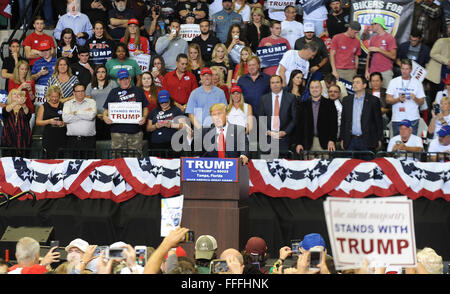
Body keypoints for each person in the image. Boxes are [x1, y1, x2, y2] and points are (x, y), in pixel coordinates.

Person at [103, 69, 149, 157]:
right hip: (117, 133)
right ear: (118, 80)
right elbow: (106, 110)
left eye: (126, 79)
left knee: (136, 159)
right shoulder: (113, 92)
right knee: (117, 159)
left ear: (130, 79)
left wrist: (144, 117)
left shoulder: (138, 91)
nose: (125, 81)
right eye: (122, 79)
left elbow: (145, 107)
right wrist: (105, 117)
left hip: (135, 132)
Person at [340, 75, 383, 154]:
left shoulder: (373, 100)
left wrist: (379, 139)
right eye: (353, 83)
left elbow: (378, 122)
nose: (354, 85)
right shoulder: (346, 100)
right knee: (350, 165)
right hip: (350, 141)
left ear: (364, 85)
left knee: (367, 166)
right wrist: (342, 138)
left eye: (357, 82)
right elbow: (344, 121)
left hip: (368, 141)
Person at [295, 80, 338, 154]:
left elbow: (333, 124)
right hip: (307, 143)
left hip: (325, 143)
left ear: (321, 89)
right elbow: (299, 126)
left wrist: (332, 140)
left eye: (317, 87)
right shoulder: (303, 105)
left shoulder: (330, 104)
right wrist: (298, 143)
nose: (314, 89)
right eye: (312, 87)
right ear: (309, 89)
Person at [386, 59, 426, 136]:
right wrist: (398, 99)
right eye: (403, 69)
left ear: (411, 70)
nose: (404, 71)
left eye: (407, 69)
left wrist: (415, 98)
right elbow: (387, 100)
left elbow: (422, 102)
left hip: (412, 118)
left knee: (411, 144)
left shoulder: (417, 83)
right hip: (397, 118)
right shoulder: (394, 81)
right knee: (397, 143)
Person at [258, 75, 297, 153]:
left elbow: (294, 118)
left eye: (277, 82)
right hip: (268, 138)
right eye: (272, 83)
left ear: (282, 84)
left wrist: (285, 132)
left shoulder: (291, 97)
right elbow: (261, 118)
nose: (275, 85)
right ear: (270, 85)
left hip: (285, 138)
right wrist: (268, 132)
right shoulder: (264, 98)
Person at [62, 83, 97, 152]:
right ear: (74, 93)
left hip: (89, 140)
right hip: (72, 140)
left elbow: (91, 116)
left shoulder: (92, 102)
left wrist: (74, 112)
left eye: (82, 91)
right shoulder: (67, 104)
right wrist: (84, 112)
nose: (80, 93)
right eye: (78, 91)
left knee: (90, 162)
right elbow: (65, 119)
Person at [86, 64, 118, 141]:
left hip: (110, 116)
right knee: (97, 140)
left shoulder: (112, 84)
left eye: (103, 72)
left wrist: (106, 114)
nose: (100, 74)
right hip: (95, 117)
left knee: (110, 140)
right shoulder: (90, 85)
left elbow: (117, 100)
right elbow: (87, 102)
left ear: (106, 73)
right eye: (98, 72)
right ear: (95, 74)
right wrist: (96, 114)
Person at [364, 17, 397, 88]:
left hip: (385, 71)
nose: (371, 26)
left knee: (386, 95)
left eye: (373, 24)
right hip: (373, 71)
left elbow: (393, 56)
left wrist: (379, 50)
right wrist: (367, 70)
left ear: (378, 25)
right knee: (372, 95)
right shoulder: (373, 39)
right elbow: (368, 56)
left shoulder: (389, 38)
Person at [35, 85, 67, 158]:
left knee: (61, 158)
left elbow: (68, 120)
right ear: (48, 96)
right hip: (49, 136)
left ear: (59, 96)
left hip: (61, 135)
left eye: (56, 96)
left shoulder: (64, 106)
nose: (54, 99)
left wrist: (63, 123)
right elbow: (38, 122)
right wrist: (49, 121)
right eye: (52, 96)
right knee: (49, 158)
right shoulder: (43, 106)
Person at [424, 25, 450, 104]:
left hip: (447, 78)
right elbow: (433, 53)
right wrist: (447, 61)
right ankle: (433, 115)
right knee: (434, 100)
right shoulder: (442, 41)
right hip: (436, 77)